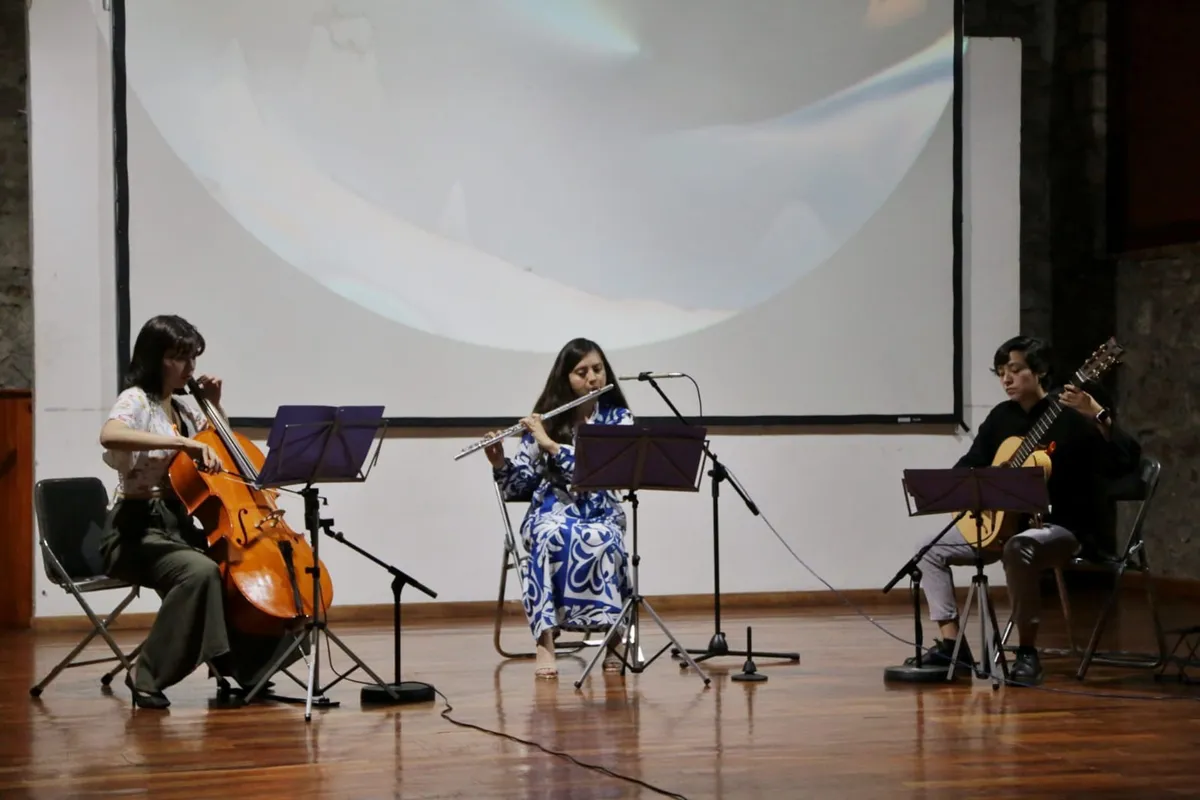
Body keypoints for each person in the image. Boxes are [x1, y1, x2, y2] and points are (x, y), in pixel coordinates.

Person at [904, 335, 1141, 685]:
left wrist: (1099, 415)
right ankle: (952, 647)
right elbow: (972, 464)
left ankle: (1028, 653)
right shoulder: (1001, 418)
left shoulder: (1072, 415)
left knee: (1019, 548)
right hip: (1001, 526)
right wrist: (957, 487)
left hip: (1061, 528)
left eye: (1015, 370)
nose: (1006, 379)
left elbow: (1126, 460)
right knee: (927, 548)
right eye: (1001, 372)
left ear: (1041, 371)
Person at [99, 315, 299, 708]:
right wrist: (182, 446)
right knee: (200, 572)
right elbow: (109, 434)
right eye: (179, 357)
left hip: (178, 527)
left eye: (193, 357)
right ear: (156, 358)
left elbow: (226, 453)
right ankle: (148, 675)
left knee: (251, 573)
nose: (190, 368)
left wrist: (216, 406)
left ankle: (245, 667)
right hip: (135, 530)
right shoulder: (136, 400)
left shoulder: (188, 412)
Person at [484, 338, 634, 679]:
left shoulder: (618, 419)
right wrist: (499, 463)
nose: (593, 378)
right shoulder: (547, 421)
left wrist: (551, 447)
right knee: (550, 535)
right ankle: (545, 640)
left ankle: (615, 637)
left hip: (600, 509)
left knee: (606, 539)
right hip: (551, 511)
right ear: (565, 378)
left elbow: (603, 473)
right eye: (582, 372)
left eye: (598, 369)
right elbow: (517, 486)